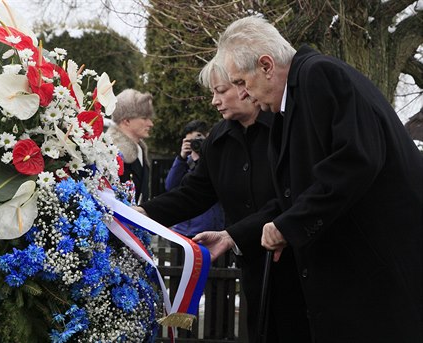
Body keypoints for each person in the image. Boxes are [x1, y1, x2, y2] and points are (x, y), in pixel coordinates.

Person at [212, 15, 423, 343]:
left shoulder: (319, 76)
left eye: (241, 82)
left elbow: (356, 161)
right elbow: (296, 196)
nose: (244, 94)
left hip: (379, 290)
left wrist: (290, 226)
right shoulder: (292, 103)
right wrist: (234, 236)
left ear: (266, 65)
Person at [136, 57, 310, 342]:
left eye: (221, 91)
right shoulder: (218, 138)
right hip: (253, 264)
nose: (215, 101)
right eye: (213, 93)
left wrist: (234, 235)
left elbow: (287, 197)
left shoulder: (284, 129)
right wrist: (144, 212)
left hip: (297, 262)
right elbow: (194, 193)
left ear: (245, 87)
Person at [165, 119, 225, 237]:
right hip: (187, 233)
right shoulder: (184, 164)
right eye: (191, 141)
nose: (195, 144)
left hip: (215, 231)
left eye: (199, 140)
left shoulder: (215, 162)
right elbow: (170, 186)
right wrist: (181, 157)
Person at [107, 88, 154, 204]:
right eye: (144, 118)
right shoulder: (110, 151)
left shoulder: (139, 150)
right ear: (126, 121)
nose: (151, 124)